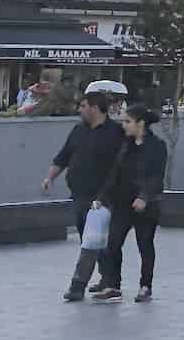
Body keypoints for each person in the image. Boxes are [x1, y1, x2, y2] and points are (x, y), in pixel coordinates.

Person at [44, 90, 127, 302]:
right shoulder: (78, 130)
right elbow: (63, 156)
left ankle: (81, 286)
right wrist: (50, 177)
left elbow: (121, 166)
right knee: (88, 239)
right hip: (79, 194)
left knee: (94, 240)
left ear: (94, 108)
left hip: (103, 197)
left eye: (82, 106)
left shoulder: (116, 132)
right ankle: (105, 278)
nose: (79, 110)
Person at [90, 103, 169, 303]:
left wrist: (144, 197)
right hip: (122, 203)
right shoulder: (125, 146)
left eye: (127, 121)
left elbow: (156, 176)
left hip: (145, 205)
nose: (123, 125)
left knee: (145, 245)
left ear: (140, 123)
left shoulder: (157, 146)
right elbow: (114, 174)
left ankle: (145, 286)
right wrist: (101, 197)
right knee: (113, 244)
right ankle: (113, 286)